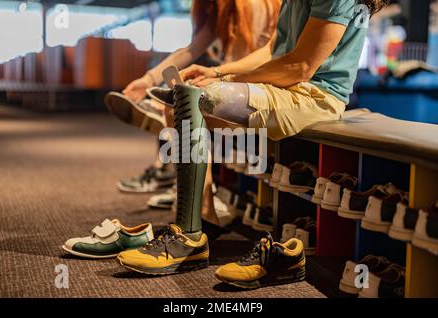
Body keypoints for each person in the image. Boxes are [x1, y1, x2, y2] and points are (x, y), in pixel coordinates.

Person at [115, 0, 389, 288]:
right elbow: (272, 49)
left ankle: (188, 236)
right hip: (284, 87)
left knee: (197, 98)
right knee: (180, 102)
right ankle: (202, 220)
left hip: (314, 96)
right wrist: (218, 73)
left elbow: (301, 66)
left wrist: (228, 80)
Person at [107, 0, 281, 194]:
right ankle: (182, 186)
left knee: (178, 106)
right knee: (177, 100)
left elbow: (248, 61)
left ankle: (182, 187)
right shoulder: (224, 11)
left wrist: (215, 75)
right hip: (239, 81)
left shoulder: (250, 6)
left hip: (255, 86)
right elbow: (190, 50)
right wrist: (148, 80)